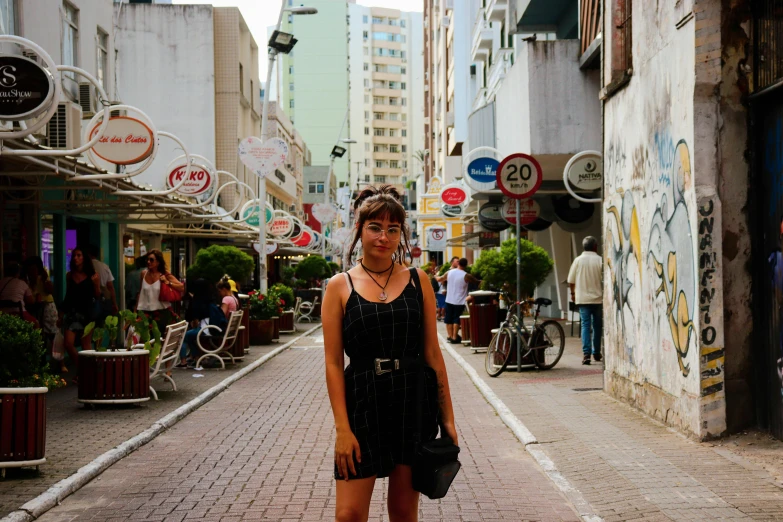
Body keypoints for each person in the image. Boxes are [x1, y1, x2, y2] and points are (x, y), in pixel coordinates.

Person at [323, 185, 458, 522]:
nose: (383, 237)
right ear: (359, 229)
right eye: (375, 227)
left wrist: (448, 419)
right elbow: (332, 363)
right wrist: (342, 428)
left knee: (402, 512)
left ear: (401, 235)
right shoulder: (339, 286)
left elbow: (433, 354)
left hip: (412, 402)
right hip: (363, 403)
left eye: (392, 229)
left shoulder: (418, 280)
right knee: (348, 514)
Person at [59, 247, 101, 379]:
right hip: (72, 313)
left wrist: (96, 284)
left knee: (86, 345)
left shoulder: (92, 276)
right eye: (74, 256)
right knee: (68, 344)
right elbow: (68, 296)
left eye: (79, 255)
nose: (75, 258)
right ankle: (84, 369)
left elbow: (98, 295)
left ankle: (84, 374)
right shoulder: (69, 276)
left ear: (84, 258)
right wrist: (61, 313)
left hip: (87, 313)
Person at [567, 236, 604, 365]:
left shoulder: (578, 261)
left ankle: (586, 354)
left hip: (582, 299)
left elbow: (571, 280)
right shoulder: (600, 260)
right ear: (595, 246)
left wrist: (573, 294)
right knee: (597, 326)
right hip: (598, 299)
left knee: (585, 326)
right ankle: (597, 352)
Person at [135, 249, 185, 333]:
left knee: (160, 341)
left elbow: (181, 287)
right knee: (145, 341)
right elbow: (140, 292)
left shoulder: (164, 274)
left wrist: (167, 282)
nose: (148, 262)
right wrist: (135, 310)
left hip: (161, 313)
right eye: (147, 259)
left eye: (151, 260)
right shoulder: (143, 274)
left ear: (158, 262)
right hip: (145, 313)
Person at [437, 258, 481, 344]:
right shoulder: (466, 275)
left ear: (458, 264)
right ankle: (454, 337)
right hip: (459, 301)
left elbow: (441, 279)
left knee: (448, 318)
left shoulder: (449, 272)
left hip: (449, 299)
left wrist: (435, 277)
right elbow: (476, 282)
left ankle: (449, 336)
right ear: (466, 265)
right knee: (456, 319)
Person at [179, 278, 214, 368]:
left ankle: (183, 361)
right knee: (190, 337)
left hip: (204, 330)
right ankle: (197, 357)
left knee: (183, 336)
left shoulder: (197, 300)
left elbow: (195, 321)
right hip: (212, 328)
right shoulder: (210, 299)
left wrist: (194, 324)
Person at [24, 256, 57, 338]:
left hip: (46, 305)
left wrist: (44, 279)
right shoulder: (27, 277)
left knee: (49, 332)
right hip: (35, 306)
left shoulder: (43, 276)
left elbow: (50, 290)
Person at [0, 262, 38, 326]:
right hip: (19, 314)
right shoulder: (22, 283)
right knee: (36, 323)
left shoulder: (1, 282)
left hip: (3, 314)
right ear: (18, 273)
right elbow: (30, 301)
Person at [87, 244, 118, 318]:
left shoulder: (86, 267)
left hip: (90, 301)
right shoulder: (105, 267)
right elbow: (110, 287)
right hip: (105, 300)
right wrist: (114, 303)